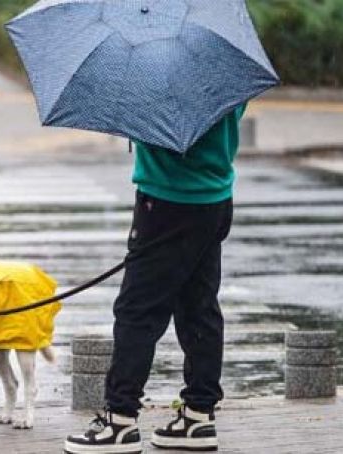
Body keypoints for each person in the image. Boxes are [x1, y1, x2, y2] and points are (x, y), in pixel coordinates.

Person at [65, 104, 247, 454]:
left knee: (137, 311)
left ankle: (120, 420)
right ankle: (198, 415)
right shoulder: (226, 65)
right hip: (214, 198)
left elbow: (160, 126)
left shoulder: (162, 73)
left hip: (166, 199)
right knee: (199, 308)